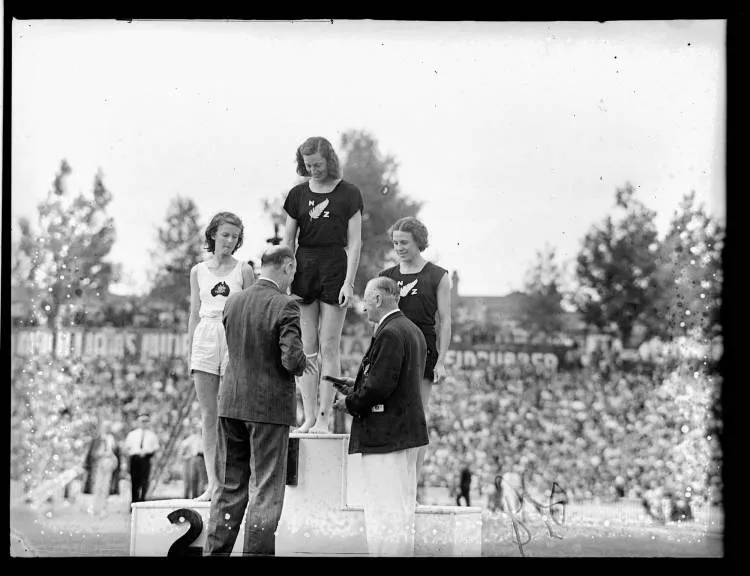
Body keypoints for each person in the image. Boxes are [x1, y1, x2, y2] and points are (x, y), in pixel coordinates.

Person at [204, 245, 318, 556]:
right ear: (288, 266)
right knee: (266, 490)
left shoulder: (234, 300)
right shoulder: (286, 305)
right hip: (268, 408)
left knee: (228, 489)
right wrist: (302, 360)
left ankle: (215, 552)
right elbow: (291, 361)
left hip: (231, 403)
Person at [332, 276, 428, 557]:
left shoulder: (389, 332)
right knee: (401, 510)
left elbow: (380, 386)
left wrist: (349, 402)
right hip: (405, 432)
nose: (362, 305)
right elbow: (394, 382)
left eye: (365, 297)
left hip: (386, 435)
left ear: (378, 298)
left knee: (383, 510)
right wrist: (357, 384)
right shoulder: (411, 329)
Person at [282, 136, 364, 434]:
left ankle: (325, 417)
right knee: (308, 347)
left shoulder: (349, 193)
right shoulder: (297, 195)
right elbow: (289, 241)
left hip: (334, 265)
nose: (313, 169)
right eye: (307, 165)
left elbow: (355, 243)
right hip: (304, 266)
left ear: (329, 160)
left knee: (330, 346)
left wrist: (349, 283)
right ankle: (308, 417)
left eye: (317, 164)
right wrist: (286, 277)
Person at [378, 216, 451, 494]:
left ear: (419, 242)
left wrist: (441, 360)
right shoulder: (386, 277)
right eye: (395, 243)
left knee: (417, 416)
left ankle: (412, 483)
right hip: (393, 347)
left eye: (405, 242)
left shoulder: (437, 275)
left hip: (424, 347)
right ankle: (392, 481)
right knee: (390, 413)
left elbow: (445, 320)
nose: (399, 247)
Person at [188, 211, 255, 501]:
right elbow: (193, 314)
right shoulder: (198, 271)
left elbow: (254, 312)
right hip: (205, 335)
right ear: (213, 234)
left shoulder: (244, 270)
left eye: (235, 236)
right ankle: (212, 483)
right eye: (225, 234)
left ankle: (239, 481)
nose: (229, 241)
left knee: (234, 412)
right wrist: (190, 349)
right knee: (208, 414)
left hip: (234, 335)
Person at [84, 419, 121, 516]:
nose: (106, 429)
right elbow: (92, 453)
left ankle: (104, 508)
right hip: (98, 465)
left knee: (106, 487)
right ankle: (93, 507)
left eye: (108, 427)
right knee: (97, 487)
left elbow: (116, 453)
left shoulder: (113, 440)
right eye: (105, 427)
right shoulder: (97, 439)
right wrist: (101, 454)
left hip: (109, 465)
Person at [124, 413, 160, 504]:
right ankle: (134, 502)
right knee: (134, 482)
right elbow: (127, 449)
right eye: (142, 421)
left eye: (146, 421)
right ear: (138, 422)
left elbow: (155, 450)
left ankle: (143, 501)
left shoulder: (152, 435)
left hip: (146, 459)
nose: (144, 423)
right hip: (135, 459)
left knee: (144, 481)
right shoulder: (132, 434)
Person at [178, 421, 207, 499]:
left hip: (204, 458)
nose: (199, 429)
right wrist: (185, 455)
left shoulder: (206, 437)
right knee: (193, 477)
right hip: (195, 458)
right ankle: (194, 496)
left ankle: (201, 494)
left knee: (203, 478)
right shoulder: (193, 437)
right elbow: (184, 445)